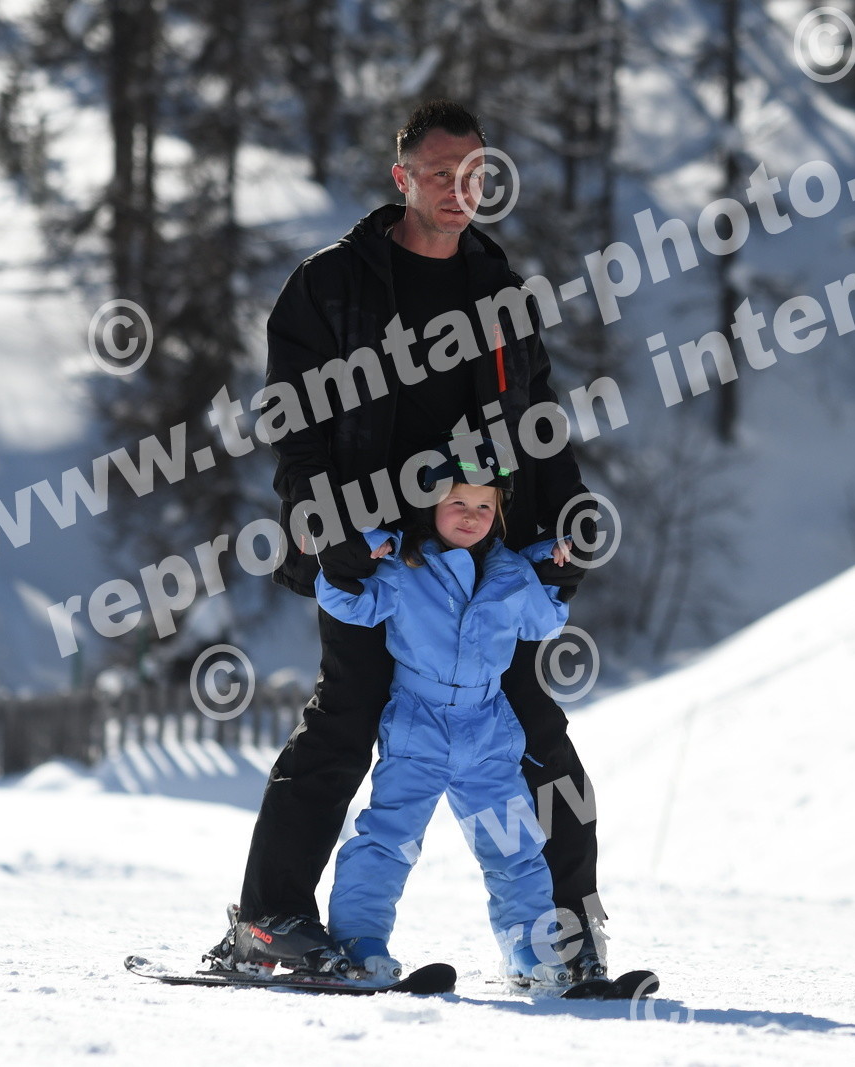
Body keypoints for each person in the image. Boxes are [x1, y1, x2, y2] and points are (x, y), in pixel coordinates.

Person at [205, 100, 607, 979]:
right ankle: (269, 922)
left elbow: (537, 418)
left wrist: (566, 513)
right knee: (345, 721)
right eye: (441, 173)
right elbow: (294, 426)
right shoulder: (330, 285)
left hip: (479, 557)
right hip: (373, 552)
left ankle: (567, 938)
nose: (461, 189)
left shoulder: (499, 290)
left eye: (476, 173)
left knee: (533, 729)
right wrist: (327, 524)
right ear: (402, 178)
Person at [318, 457, 575, 991]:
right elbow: (349, 604)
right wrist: (348, 555)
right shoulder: (405, 566)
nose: (471, 515)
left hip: (487, 730)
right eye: (457, 502)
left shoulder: (511, 574)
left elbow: (544, 621)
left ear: (499, 514)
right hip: (420, 724)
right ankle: (359, 943)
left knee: (515, 845)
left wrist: (550, 567)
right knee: (389, 838)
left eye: (484, 505)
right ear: (430, 505)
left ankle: (531, 951)